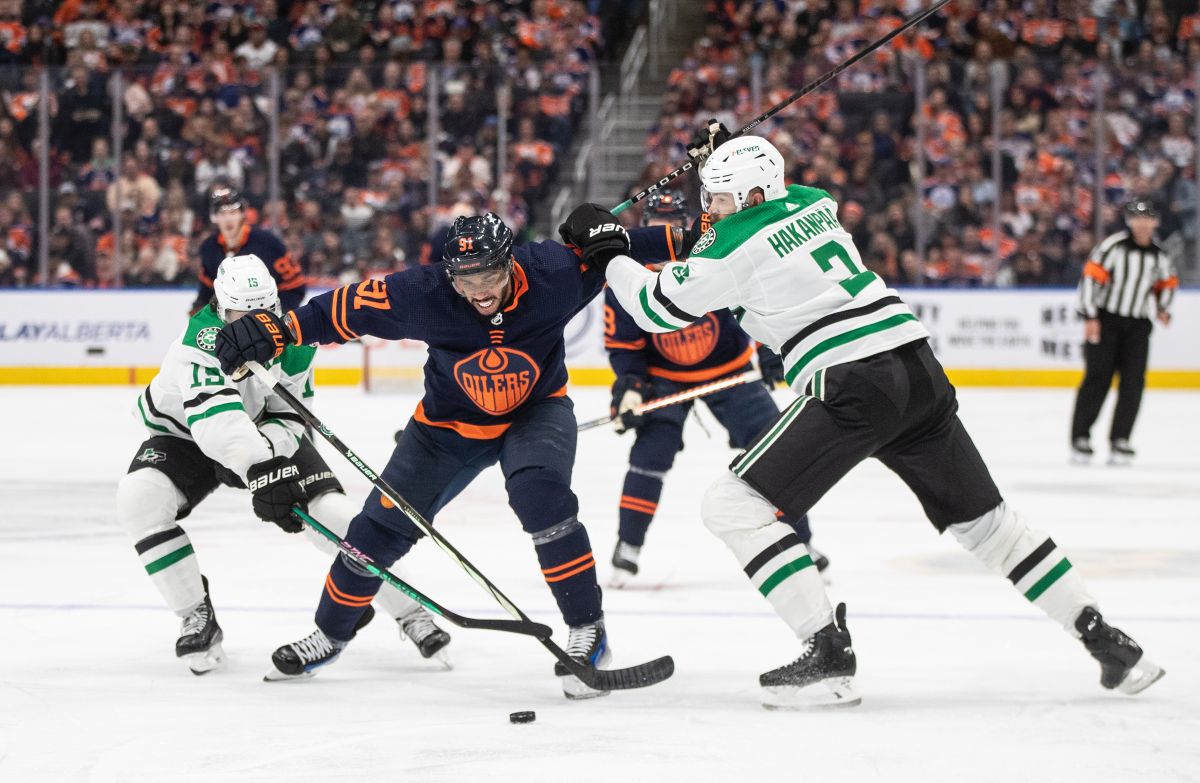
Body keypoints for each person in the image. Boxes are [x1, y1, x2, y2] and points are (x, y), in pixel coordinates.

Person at [588, 126, 1164, 707]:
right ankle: (1108, 641)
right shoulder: (814, 204)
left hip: (855, 381)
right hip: (918, 369)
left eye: (716, 197)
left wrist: (609, 250)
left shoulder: (735, 250)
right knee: (990, 525)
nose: (707, 209)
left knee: (733, 506)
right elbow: (725, 232)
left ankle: (827, 658)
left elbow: (653, 307)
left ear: (753, 197)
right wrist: (721, 165)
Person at [212, 213, 677, 696]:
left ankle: (589, 630)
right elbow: (344, 309)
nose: (478, 290)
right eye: (464, 278)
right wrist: (278, 329)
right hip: (445, 430)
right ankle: (330, 633)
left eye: (488, 275)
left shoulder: (554, 273)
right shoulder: (426, 293)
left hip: (535, 413)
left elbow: (625, 244)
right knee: (372, 534)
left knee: (542, 496)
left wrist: (704, 229)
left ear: (511, 263)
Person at [117, 255, 449, 675]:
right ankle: (193, 613)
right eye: (240, 312)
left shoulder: (293, 340)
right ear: (221, 305)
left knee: (334, 515)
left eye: (262, 311)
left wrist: (270, 455)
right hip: (185, 434)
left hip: (259, 431)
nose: (250, 322)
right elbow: (215, 421)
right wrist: (261, 470)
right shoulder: (201, 339)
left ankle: (409, 610)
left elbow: (291, 416)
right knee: (140, 500)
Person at [603, 189, 825, 587]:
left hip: (730, 372)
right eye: (658, 226)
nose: (665, 233)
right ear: (646, 228)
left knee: (775, 453)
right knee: (650, 455)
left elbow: (754, 305)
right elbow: (624, 344)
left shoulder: (714, 254)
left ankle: (802, 542)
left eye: (673, 225)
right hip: (666, 379)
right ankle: (628, 546)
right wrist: (631, 387)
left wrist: (771, 353)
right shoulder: (630, 273)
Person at [1070, 199, 1176, 465]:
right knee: (1098, 378)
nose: (1142, 223)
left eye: (1147, 218)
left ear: (1155, 222)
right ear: (1130, 221)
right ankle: (1081, 436)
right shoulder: (1112, 247)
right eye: (1136, 218)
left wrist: (1163, 307)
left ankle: (1121, 439)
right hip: (1107, 320)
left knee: (1133, 383)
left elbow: (1167, 282)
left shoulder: (1158, 255)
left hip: (1138, 325)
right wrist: (1090, 315)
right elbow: (1090, 280)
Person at [190, 186, 304, 316]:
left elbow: (295, 285)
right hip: (229, 319)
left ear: (242, 214)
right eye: (222, 213)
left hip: (266, 316)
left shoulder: (268, 243)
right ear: (214, 217)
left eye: (233, 212)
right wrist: (197, 313)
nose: (228, 219)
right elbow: (208, 289)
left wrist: (280, 315)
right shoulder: (209, 247)